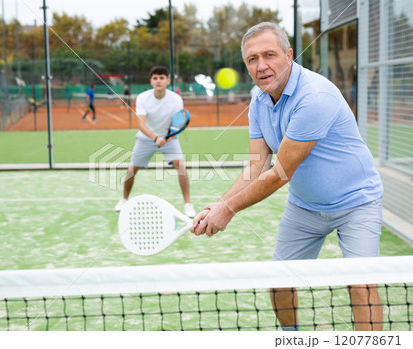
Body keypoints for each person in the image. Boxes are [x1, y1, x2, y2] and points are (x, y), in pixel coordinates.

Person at [190, 22, 384, 331]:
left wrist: (228, 210)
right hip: (305, 205)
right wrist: (218, 205)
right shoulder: (259, 99)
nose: (261, 65)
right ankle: (290, 338)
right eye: (252, 59)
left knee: (360, 284)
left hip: (356, 203)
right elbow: (256, 165)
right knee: (279, 280)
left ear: (289, 55)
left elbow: (280, 173)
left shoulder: (314, 96)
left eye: (269, 54)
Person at [115, 66, 196, 218]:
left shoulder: (176, 99)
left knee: (181, 167)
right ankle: (124, 199)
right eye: (155, 78)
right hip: (145, 138)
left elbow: (178, 124)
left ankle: (188, 204)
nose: (158, 81)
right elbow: (141, 124)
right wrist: (155, 138)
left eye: (162, 78)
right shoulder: (143, 98)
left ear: (168, 81)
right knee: (132, 169)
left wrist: (168, 137)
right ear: (151, 81)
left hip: (168, 138)